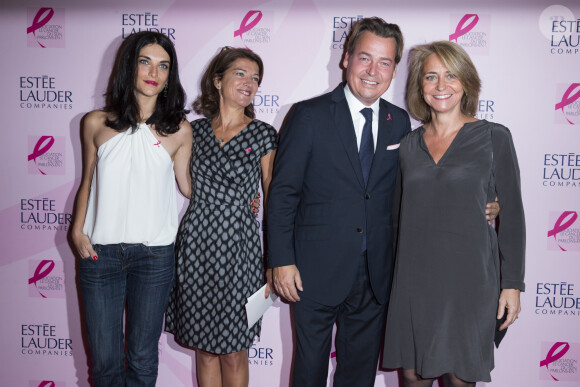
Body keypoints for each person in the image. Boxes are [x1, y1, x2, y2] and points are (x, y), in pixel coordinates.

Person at [267, 17, 409, 386]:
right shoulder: (308, 115)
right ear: (346, 58)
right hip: (313, 271)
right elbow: (283, 193)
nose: (373, 71)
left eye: (385, 62)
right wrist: (281, 260)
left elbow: (407, 190)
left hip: (375, 273)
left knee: (358, 374)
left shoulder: (399, 122)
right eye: (365, 58)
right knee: (309, 370)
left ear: (394, 69)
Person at [382, 41, 526, 387]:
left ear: (466, 82)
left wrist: (512, 285)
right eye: (431, 77)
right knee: (412, 375)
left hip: (469, 282)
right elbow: (397, 217)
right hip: (414, 283)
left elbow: (514, 219)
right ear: (420, 86)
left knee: (461, 376)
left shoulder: (494, 137)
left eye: (450, 76)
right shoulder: (407, 145)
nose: (441, 85)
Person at [71, 31, 192, 387]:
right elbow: (88, 181)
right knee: (105, 363)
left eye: (163, 65)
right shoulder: (95, 122)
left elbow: (188, 185)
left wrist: (241, 196)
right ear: (129, 67)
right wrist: (77, 230)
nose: (154, 72)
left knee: (141, 359)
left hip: (154, 257)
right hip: (99, 255)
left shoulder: (179, 130)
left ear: (170, 75)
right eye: (145, 62)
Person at [164, 47, 277, 387]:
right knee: (205, 350)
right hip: (196, 245)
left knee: (235, 350)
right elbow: (186, 186)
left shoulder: (264, 135)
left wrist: (275, 257)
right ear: (217, 80)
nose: (250, 83)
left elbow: (272, 197)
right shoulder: (192, 131)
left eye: (255, 78)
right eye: (241, 74)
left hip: (242, 251)